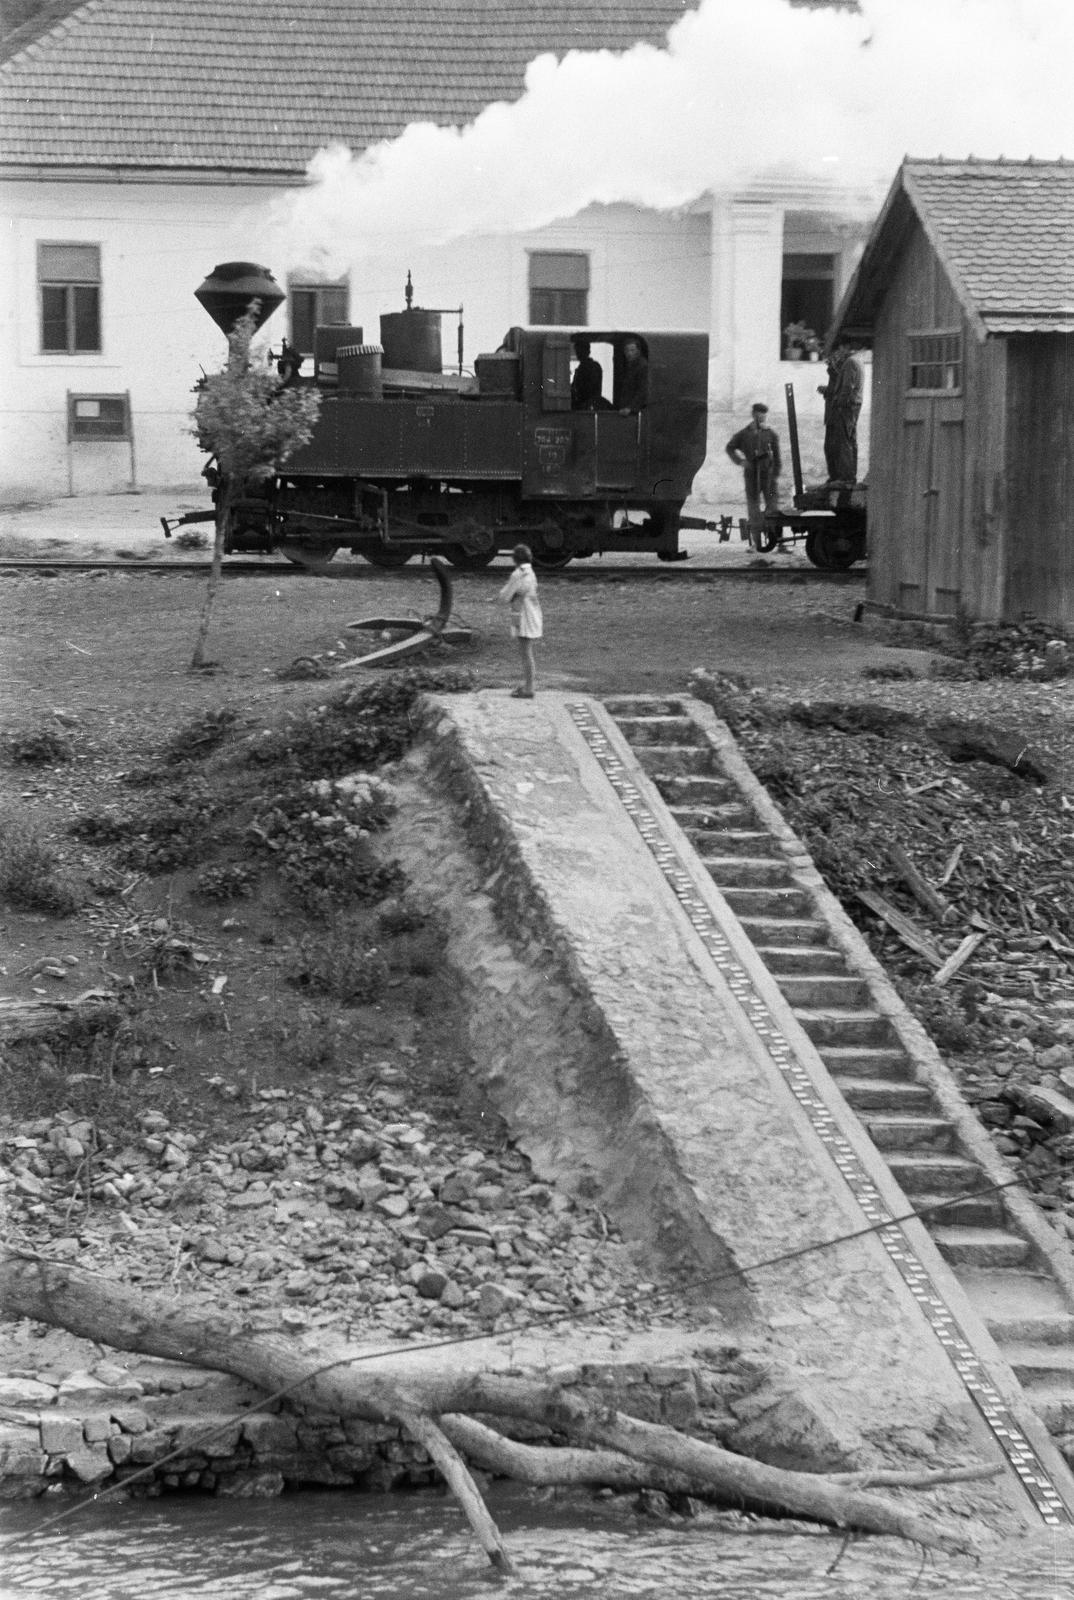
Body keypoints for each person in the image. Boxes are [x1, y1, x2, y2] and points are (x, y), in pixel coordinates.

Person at [726, 403, 781, 544]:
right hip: (751, 475)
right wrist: (740, 461)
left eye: (763, 414)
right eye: (758, 414)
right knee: (753, 507)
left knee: (773, 507)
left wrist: (774, 474)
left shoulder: (770, 434)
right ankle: (757, 542)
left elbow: (777, 457)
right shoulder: (744, 434)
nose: (761, 417)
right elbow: (730, 447)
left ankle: (777, 540)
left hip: (767, 476)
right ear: (753, 414)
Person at [499, 543, 543, 698]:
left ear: (515, 559)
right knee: (526, 652)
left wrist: (505, 594)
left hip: (524, 615)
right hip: (532, 612)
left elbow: (504, 597)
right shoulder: (530, 571)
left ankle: (529, 688)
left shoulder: (518, 574)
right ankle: (528, 685)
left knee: (526, 653)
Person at [818, 344, 864, 483]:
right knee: (845, 442)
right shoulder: (855, 361)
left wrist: (838, 402)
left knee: (841, 443)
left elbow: (846, 388)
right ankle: (845, 476)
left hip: (843, 408)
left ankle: (845, 477)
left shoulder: (849, 363)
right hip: (846, 407)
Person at [570, 337, 604, 410]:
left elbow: (589, 389)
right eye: (577, 351)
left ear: (588, 351)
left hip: (589, 406)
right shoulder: (580, 368)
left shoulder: (593, 367)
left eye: (581, 350)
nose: (578, 353)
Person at [618, 337, 649, 414]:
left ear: (638, 351)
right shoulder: (629, 366)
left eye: (632, 350)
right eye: (626, 350)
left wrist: (630, 408)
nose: (629, 353)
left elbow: (643, 389)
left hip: (633, 412)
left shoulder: (642, 366)